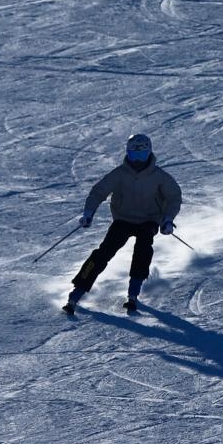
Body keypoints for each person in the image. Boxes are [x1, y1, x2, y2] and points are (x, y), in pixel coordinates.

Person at [63, 133, 182, 315]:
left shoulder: (159, 177)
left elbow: (174, 197)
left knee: (143, 248)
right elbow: (98, 192)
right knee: (103, 253)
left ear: (149, 153)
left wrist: (167, 219)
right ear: (128, 154)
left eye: (141, 156)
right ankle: (77, 290)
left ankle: (133, 293)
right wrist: (89, 213)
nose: (137, 161)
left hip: (148, 220)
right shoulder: (119, 174)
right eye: (134, 155)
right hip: (123, 219)